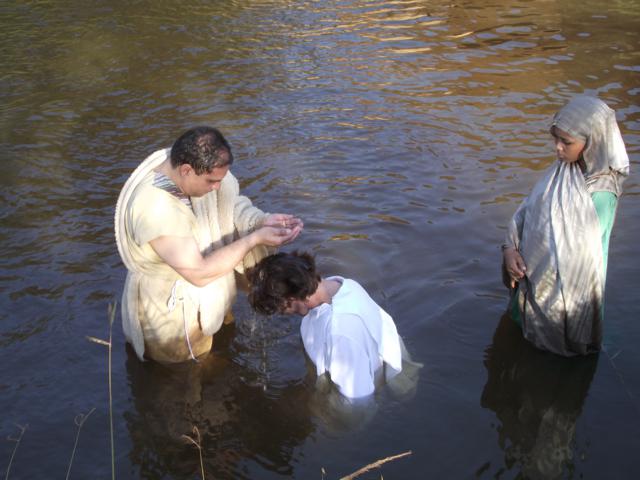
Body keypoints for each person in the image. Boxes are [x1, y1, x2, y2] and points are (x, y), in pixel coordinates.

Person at [115, 126, 303, 363]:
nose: (217, 187)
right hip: (172, 312)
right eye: (211, 181)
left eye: (220, 180)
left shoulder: (191, 169)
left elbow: (229, 203)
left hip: (213, 293)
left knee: (222, 349)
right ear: (186, 170)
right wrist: (254, 238)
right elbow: (199, 273)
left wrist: (260, 220)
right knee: (183, 374)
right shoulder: (156, 209)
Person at [502, 96, 629, 356]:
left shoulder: (601, 192)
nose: (557, 148)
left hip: (560, 292)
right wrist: (510, 249)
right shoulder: (563, 168)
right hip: (530, 274)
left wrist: (539, 274)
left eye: (566, 142)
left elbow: (577, 259)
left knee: (556, 353)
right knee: (520, 341)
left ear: (593, 142)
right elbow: (528, 209)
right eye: (555, 139)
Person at [246, 251, 419, 399]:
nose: (280, 313)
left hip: (367, 386)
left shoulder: (340, 333)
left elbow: (357, 402)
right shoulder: (342, 284)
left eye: (279, 309)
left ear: (291, 300)